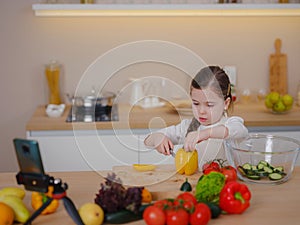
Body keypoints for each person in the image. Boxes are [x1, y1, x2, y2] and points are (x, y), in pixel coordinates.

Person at [144, 66, 248, 164]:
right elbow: (148, 140)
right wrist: (157, 138)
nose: (201, 111)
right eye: (196, 103)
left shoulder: (231, 123)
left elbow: (240, 131)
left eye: (209, 105)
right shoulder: (188, 126)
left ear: (226, 103)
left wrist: (206, 133)